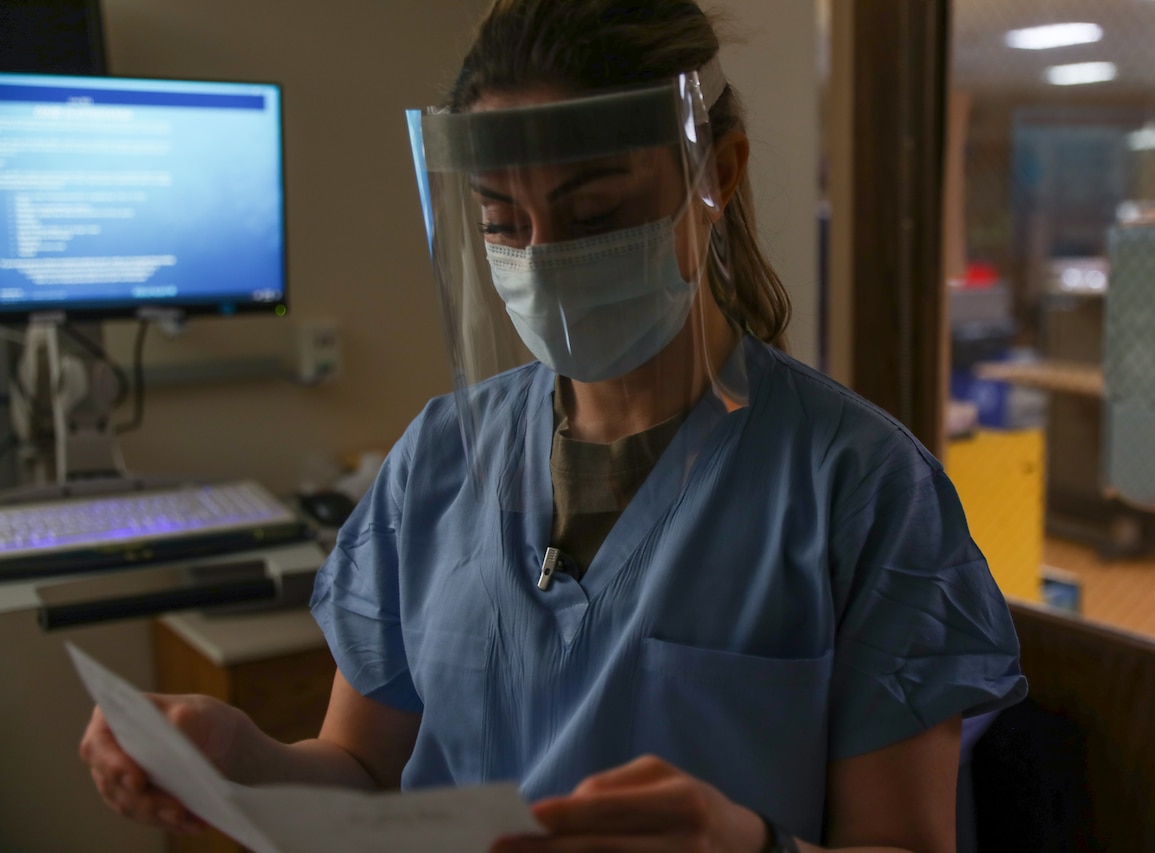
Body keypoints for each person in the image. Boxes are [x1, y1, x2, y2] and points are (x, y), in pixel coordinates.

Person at [80, 1, 1026, 851]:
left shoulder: (856, 488)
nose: (546, 257)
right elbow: (366, 777)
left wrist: (745, 845)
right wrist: (236, 756)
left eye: (596, 211)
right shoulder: (439, 463)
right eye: (502, 220)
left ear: (718, 173)